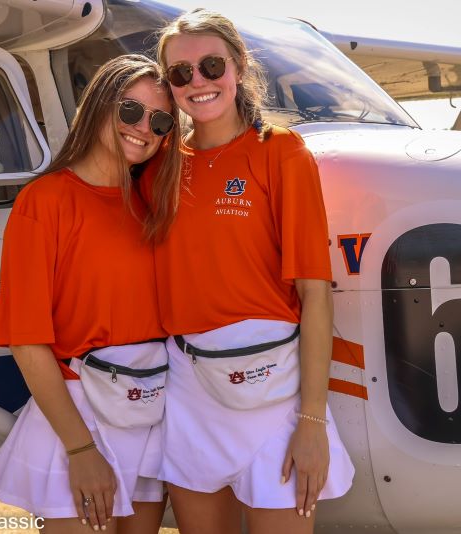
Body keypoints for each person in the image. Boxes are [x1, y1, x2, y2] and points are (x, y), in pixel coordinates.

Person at [147, 9, 354, 534]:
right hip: (189, 388)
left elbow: (315, 293)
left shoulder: (280, 152)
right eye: (180, 73)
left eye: (212, 65)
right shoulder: (159, 164)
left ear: (238, 66)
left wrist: (312, 420)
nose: (198, 81)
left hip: (274, 391)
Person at [0, 54, 180, 534]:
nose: (144, 128)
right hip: (77, 417)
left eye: (160, 121)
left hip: (148, 410)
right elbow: (26, 339)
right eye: (130, 110)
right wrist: (80, 449)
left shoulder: (155, 205)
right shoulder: (45, 201)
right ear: (98, 105)